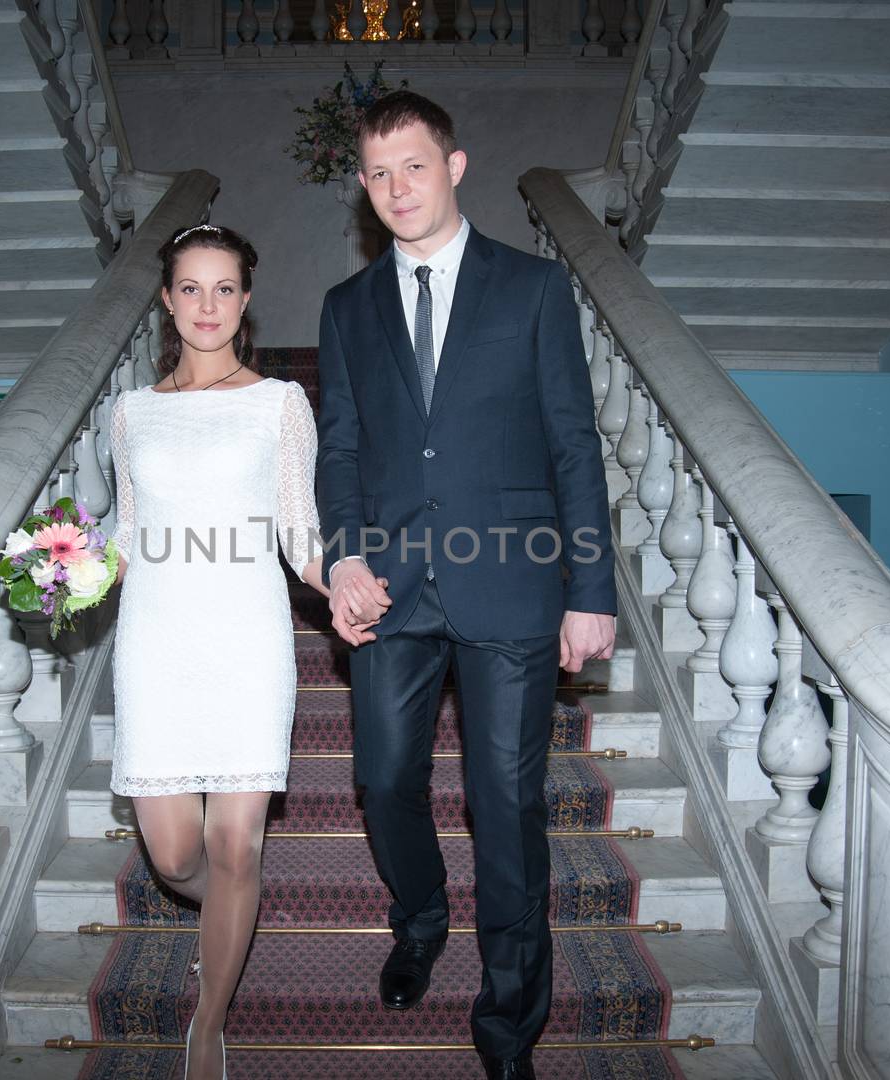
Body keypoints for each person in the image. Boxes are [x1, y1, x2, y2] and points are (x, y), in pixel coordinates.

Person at [315, 92, 618, 1080]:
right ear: (362, 187)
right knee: (385, 780)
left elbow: (573, 442)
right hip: (390, 588)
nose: (396, 188)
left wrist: (591, 589)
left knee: (506, 803)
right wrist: (343, 554)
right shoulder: (347, 307)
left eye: (412, 165)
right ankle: (418, 920)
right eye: (377, 173)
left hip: (513, 588)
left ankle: (507, 1023)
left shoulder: (531, 288)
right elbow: (342, 447)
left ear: (453, 166)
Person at [107, 225, 348, 1080]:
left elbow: (298, 530)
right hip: (156, 640)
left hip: (246, 636)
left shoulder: (280, 402)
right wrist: (62, 569)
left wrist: (339, 584)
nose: (207, 305)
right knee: (178, 858)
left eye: (224, 289)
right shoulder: (127, 411)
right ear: (167, 301)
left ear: (245, 302)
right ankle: (233, 913)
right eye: (190, 288)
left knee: (236, 846)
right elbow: (127, 535)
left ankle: (208, 1024)